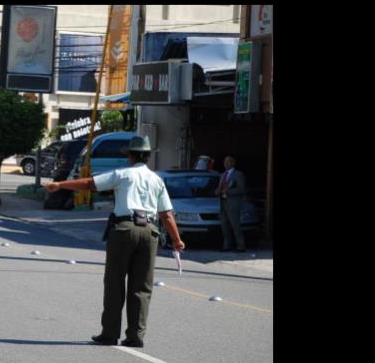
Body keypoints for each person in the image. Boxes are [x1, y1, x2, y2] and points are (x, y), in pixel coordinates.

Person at [45, 135, 185, 348]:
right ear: (147, 157)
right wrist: (177, 240)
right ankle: (135, 336)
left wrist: (60, 184)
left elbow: (90, 184)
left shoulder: (122, 174)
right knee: (142, 287)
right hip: (150, 232)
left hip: (124, 230)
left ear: (130, 156)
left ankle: (110, 334)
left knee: (114, 283)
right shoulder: (157, 180)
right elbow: (166, 214)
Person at [215, 155, 247, 252]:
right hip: (223, 202)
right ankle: (227, 245)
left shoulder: (238, 174)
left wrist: (228, 191)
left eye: (228, 162)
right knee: (224, 225)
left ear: (233, 163)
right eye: (225, 162)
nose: (226, 164)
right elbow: (220, 188)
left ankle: (241, 246)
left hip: (233, 203)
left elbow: (242, 189)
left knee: (235, 225)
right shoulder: (222, 175)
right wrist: (217, 191)